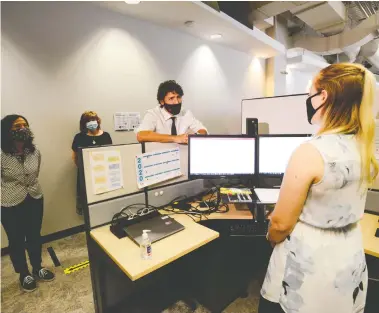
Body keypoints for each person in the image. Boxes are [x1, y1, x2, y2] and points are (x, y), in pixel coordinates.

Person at [259, 63, 378, 313]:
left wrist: (271, 237)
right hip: (348, 260)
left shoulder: (311, 152)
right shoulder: (366, 147)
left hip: (306, 269)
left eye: (310, 93)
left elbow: (280, 223)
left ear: (323, 96)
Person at [1, 114, 55, 292]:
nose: (22, 128)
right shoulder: (1, 153)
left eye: (24, 125)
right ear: (7, 130)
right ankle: (24, 274)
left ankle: (37, 268)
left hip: (34, 197)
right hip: (9, 202)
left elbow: (34, 173)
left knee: (34, 235)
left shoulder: (34, 151)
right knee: (16, 239)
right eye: (17, 126)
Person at [135, 80, 207, 144]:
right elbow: (141, 135)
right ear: (162, 101)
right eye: (171, 98)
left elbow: (203, 130)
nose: (176, 102)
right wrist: (175, 138)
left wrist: (193, 137)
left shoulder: (185, 113)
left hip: (182, 154)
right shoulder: (153, 114)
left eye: (178, 97)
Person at [72, 111, 112, 215]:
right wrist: (85, 169)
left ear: (98, 121)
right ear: (83, 123)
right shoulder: (79, 137)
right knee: (87, 204)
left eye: (94, 119)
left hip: (104, 175)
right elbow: (75, 157)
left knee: (104, 203)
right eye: (88, 120)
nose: (92, 122)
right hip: (86, 176)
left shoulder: (106, 136)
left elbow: (111, 154)